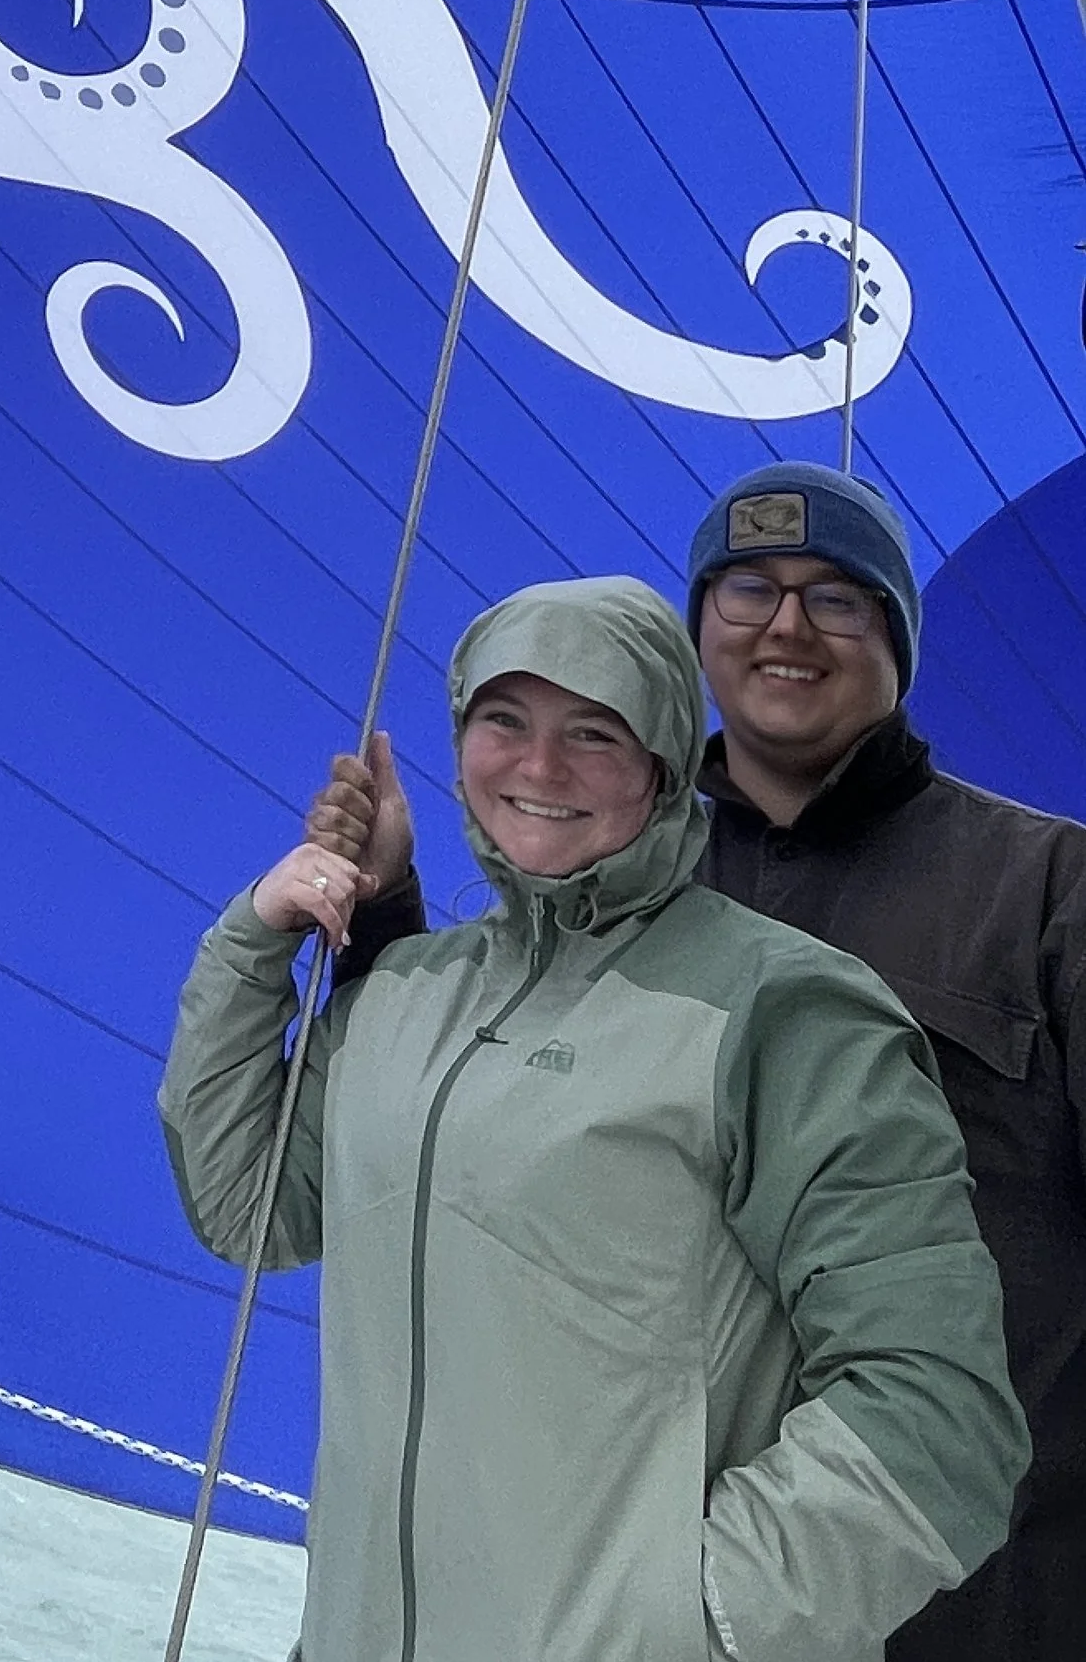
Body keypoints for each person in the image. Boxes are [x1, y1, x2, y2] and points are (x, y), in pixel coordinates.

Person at [162, 574, 1024, 1662]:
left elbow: (939, 1412)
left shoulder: (782, 1009)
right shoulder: (405, 993)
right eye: (502, 722)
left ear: (663, 763)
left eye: (594, 732)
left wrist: (685, 1620)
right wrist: (260, 937)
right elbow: (248, 1210)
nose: (538, 767)